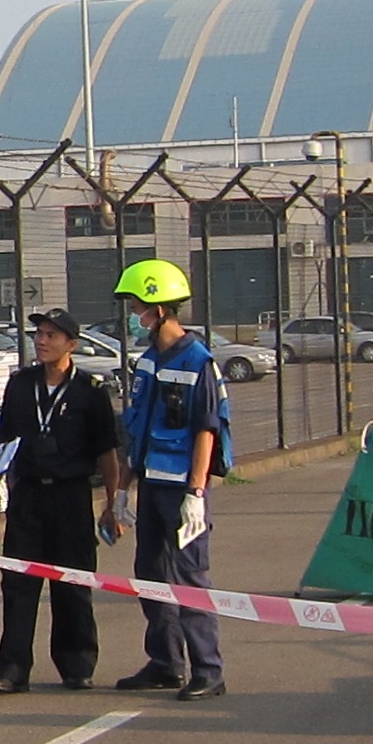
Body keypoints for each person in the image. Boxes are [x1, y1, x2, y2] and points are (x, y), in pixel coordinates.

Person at [101, 260, 234, 701]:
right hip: (152, 486)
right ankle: (166, 662)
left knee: (188, 576)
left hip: (181, 489)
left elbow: (205, 431)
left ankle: (208, 669)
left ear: (158, 309)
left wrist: (196, 492)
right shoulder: (148, 362)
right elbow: (138, 430)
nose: (133, 315)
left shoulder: (199, 362)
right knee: (150, 573)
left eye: (137, 306)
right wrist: (123, 490)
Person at [0, 308, 119, 694]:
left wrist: (112, 504)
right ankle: (12, 669)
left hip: (71, 496)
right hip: (28, 495)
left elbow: (106, 451)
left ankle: (77, 665)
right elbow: (5, 440)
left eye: (51, 335)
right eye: (39, 334)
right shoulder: (21, 385)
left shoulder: (90, 391)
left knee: (73, 582)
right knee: (18, 582)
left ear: (71, 344)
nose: (41, 341)